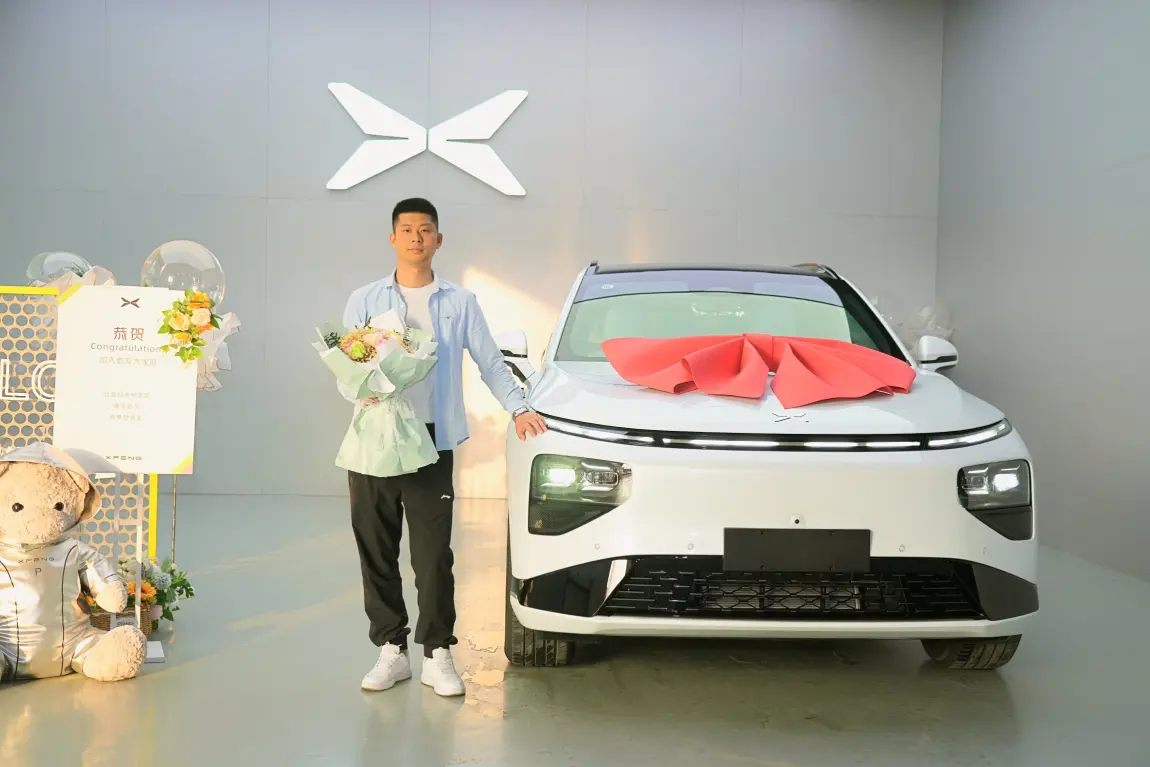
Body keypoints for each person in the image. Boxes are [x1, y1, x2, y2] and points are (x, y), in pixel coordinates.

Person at [340, 197, 547, 697]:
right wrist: (362, 386)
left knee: (433, 554)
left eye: (425, 229)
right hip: (373, 437)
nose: (416, 237)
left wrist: (519, 407)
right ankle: (391, 649)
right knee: (376, 547)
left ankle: (437, 652)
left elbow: (490, 360)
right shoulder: (365, 299)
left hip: (431, 440)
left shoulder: (460, 301)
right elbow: (347, 366)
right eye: (407, 229)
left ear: (438, 238)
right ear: (392, 238)